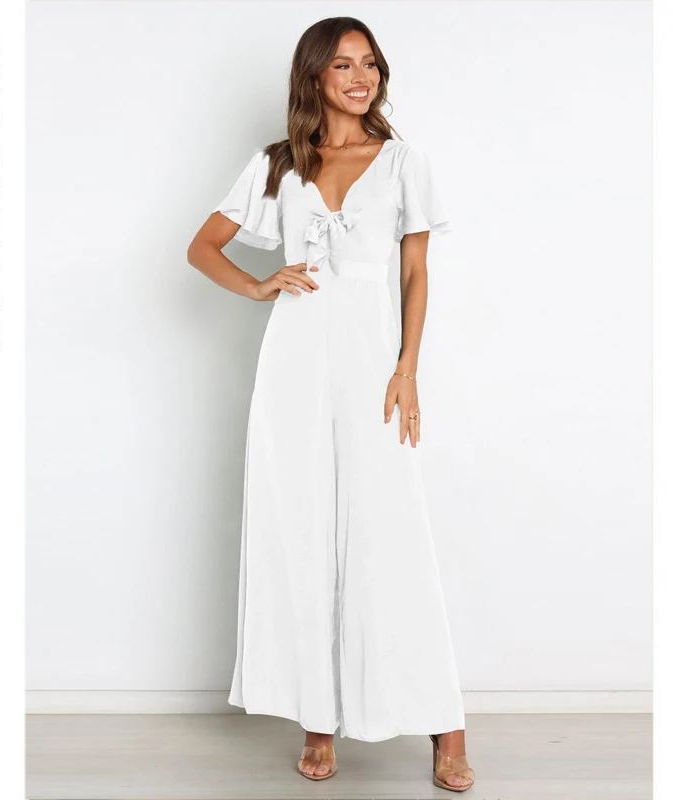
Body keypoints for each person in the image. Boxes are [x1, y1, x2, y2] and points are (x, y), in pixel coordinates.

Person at [186, 16, 474, 793]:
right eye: (343, 64)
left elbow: (414, 272)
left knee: (393, 533)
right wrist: (259, 285)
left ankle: (446, 727)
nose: (361, 77)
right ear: (314, 75)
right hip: (293, 366)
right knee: (303, 533)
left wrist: (407, 369)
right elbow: (202, 245)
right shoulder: (278, 164)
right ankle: (318, 720)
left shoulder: (404, 161)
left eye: (370, 63)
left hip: (373, 363)